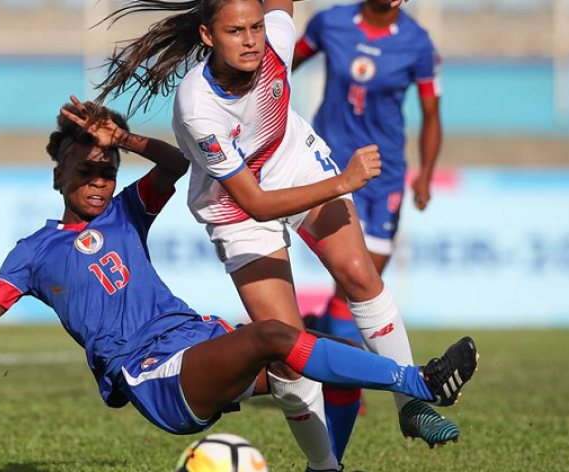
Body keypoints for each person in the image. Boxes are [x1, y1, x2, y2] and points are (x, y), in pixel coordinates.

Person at [0, 102, 478, 465]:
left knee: (305, 370)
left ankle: (340, 457)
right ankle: (416, 384)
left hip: (193, 340)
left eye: (106, 166)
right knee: (275, 336)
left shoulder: (127, 211)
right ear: (58, 174)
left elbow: (177, 162)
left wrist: (126, 138)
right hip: (153, 374)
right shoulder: (34, 253)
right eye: (86, 165)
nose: (99, 174)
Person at [94, 0, 449, 466]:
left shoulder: (276, 41)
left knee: (360, 274)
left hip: (294, 162)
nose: (251, 40)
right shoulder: (198, 106)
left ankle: (410, 407)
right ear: (207, 36)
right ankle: (325, 466)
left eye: (257, 27)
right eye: (236, 31)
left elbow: (283, 6)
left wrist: (334, 181)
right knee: (287, 347)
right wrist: (344, 182)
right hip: (235, 206)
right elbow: (254, 203)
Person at [291, 0, 446, 446]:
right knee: (355, 276)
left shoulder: (417, 43)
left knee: (365, 275)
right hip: (326, 165)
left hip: (384, 174)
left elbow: (432, 115)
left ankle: (335, 359)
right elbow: (279, 71)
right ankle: (347, 378)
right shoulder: (329, 23)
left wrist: (427, 175)